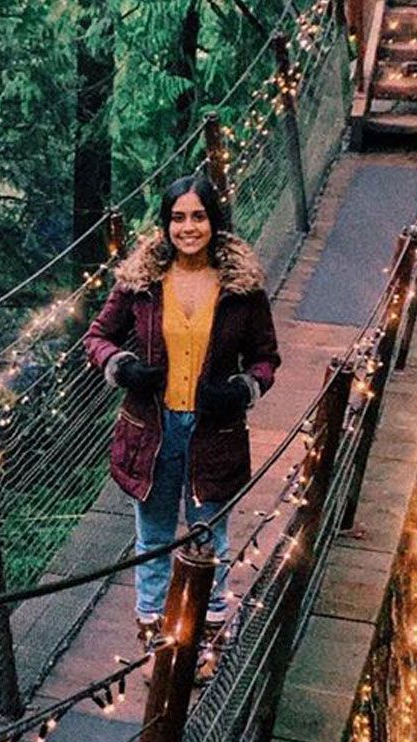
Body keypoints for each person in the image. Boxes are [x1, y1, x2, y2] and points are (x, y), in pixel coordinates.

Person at [82, 176, 283, 649]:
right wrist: (122, 366)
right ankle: (154, 640)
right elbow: (96, 336)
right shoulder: (140, 283)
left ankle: (210, 640)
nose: (188, 228)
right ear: (166, 223)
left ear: (214, 221)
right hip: (153, 431)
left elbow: (266, 357)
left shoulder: (242, 288)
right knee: (152, 540)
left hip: (215, 431)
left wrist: (243, 388)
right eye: (178, 217)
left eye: (198, 216)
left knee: (210, 539)